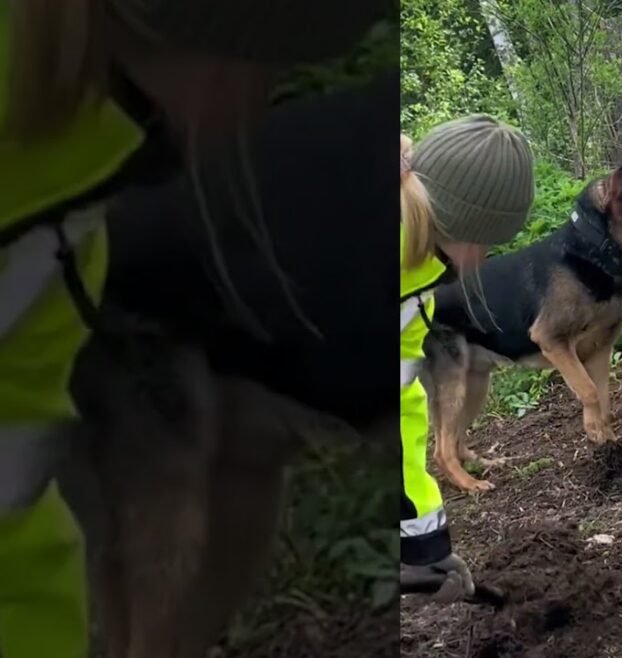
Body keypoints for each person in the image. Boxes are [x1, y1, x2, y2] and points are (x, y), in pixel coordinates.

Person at [0, 2, 383, 656]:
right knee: (160, 541)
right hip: (155, 315)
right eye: (265, 66)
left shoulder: (84, 189)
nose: (260, 106)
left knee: (243, 465)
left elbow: (10, 510)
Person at [399, 115, 535, 599]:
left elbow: (401, 407)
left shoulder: (420, 282)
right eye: (489, 245)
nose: (483, 260)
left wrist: (423, 549)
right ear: (471, 234)